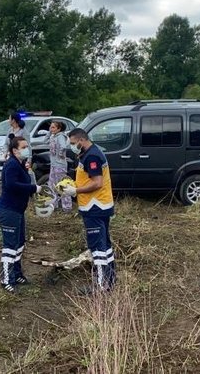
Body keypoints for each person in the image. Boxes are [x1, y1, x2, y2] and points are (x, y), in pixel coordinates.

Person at [60, 128, 116, 293]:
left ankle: (100, 286)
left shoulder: (92, 156)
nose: (71, 146)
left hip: (95, 207)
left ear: (81, 140)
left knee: (97, 247)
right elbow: (87, 177)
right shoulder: (90, 152)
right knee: (105, 245)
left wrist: (75, 191)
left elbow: (97, 182)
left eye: (72, 143)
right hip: (100, 206)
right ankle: (110, 281)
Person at [0, 136, 43, 293]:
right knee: (10, 246)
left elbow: (25, 180)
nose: (27, 149)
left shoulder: (20, 164)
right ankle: (6, 280)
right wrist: (33, 188)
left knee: (20, 242)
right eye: (24, 146)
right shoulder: (12, 165)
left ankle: (17, 273)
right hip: (8, 210)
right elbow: (12, 184)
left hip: (17, 210)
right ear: (15, 150)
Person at [46, 120, 72, 212]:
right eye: (51, 127)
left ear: (59, 129)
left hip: (59, 165)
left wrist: (60, 154)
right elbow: (45, 140)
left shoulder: (60, 136)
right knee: (52, 184)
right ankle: (54, 204)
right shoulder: (53, 136)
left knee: (62, 185)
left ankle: (67, 206)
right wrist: (49, 133)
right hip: (53, 164)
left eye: (53, 127)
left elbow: (63, 146)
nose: (51, 129)